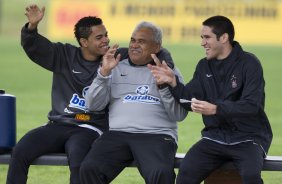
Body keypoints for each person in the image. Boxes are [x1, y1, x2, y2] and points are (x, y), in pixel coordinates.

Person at [6, 5, 175, 184]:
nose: (106, 41)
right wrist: (31, 27)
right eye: (99, 37)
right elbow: (34, 46)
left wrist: (166, 67)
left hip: (91, 127)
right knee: (20, 151)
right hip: (59, 123)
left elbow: (154, 50)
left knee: (79, 158)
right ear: (84, 42)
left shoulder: (116, 56)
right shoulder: (63, 55)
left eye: (106, 35)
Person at [149, 15, 273, 184]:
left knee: (251, 177)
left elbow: (252, 106)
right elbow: (189, 100)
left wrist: (216, 109)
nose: (202, 43)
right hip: (214, 138)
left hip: (249, 138)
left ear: (223, 38)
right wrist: (173, 83)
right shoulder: (204, 66)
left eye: (207, 37)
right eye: (202, 38)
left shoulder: (249, 63)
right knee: (185, 174)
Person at [80, 21, 188, 184]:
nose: (135, 45)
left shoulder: (168, 71)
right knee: (89, 168)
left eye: (142, 41)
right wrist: (103, 73)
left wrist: (164, 86)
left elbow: (179, 115)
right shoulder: (114, 66)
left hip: (157, 135)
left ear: (157, 48)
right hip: (117, 134)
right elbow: (92, 105)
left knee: (160, 173)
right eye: (133, 40)